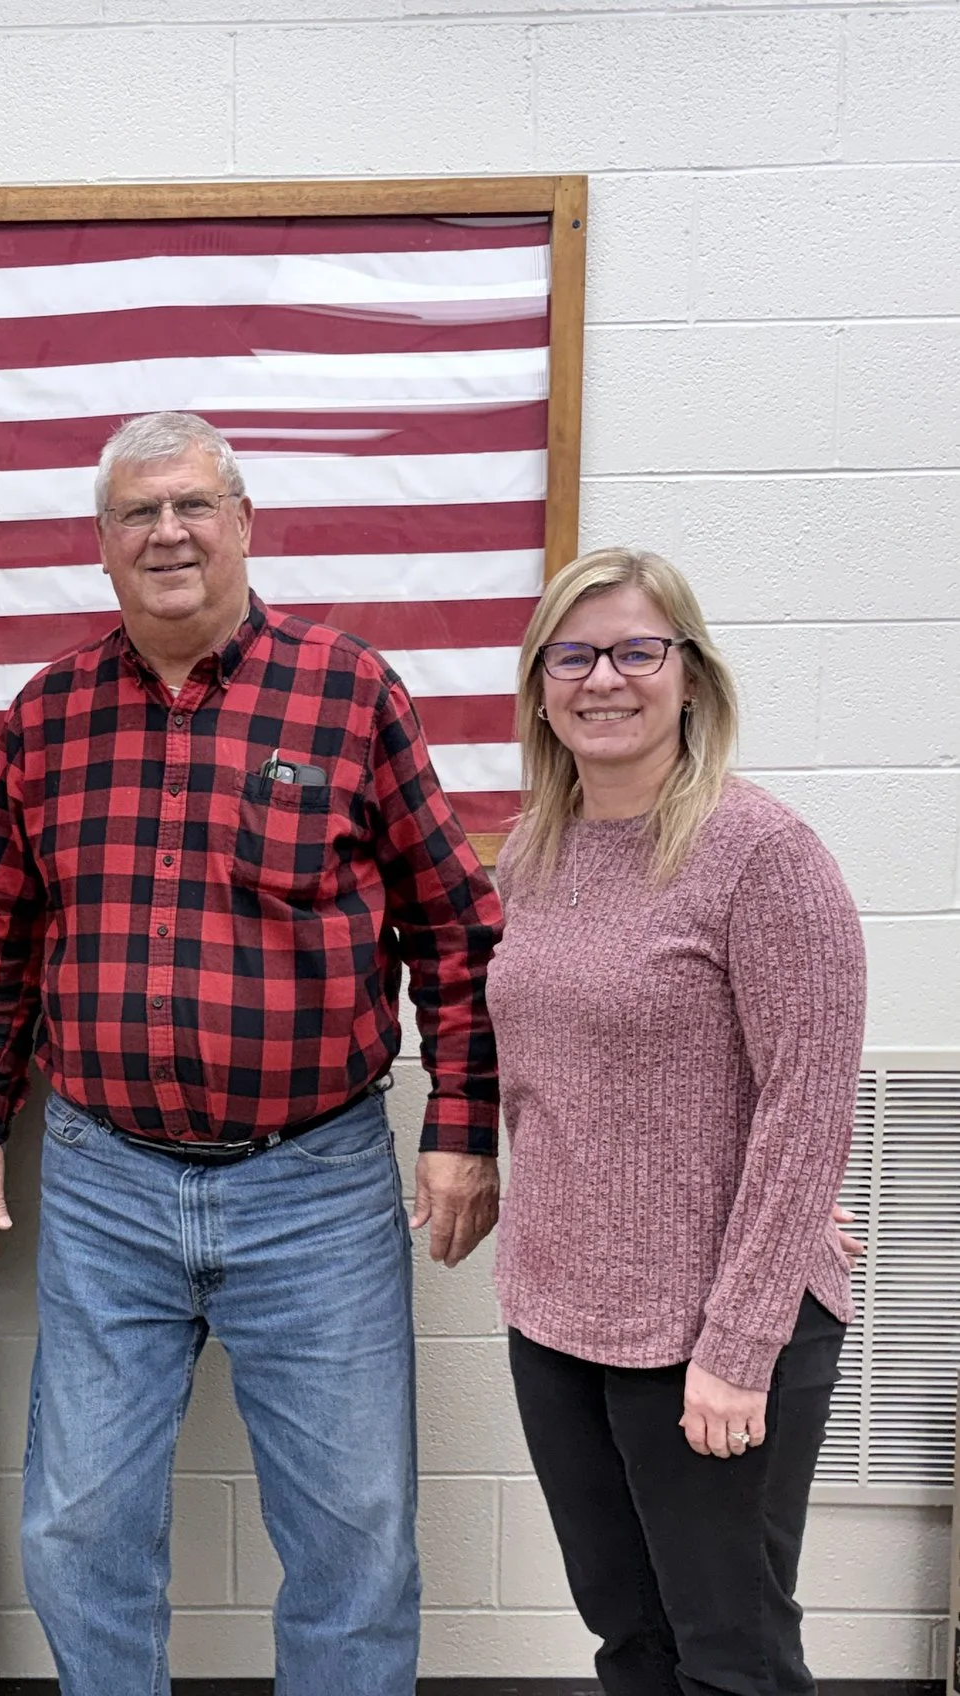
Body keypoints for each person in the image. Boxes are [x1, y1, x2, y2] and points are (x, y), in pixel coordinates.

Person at [0, 411, 504, 1693]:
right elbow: (5, 946)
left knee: (352, 1537)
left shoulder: (349, 690)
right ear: (101, 547)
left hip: (313, 1184)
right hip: (104, 1182)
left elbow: (456, 929)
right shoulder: (47, 715)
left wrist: (462, 1127)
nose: (167, 532)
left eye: (193, 505)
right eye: (136, 514)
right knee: (79, 1527)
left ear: (244, 524)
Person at [488, 548, 863, 1696]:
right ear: (542, 683)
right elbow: (551, 1074)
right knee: (628, 1639)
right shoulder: (531, 851)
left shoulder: (762, 854)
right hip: (556, 1320)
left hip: (708, 1335)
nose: (604, 678)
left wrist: (743, 1340)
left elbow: (809, 1099)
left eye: (637, 650)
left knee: (731, 1652)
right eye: (574, 654)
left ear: (689, 676)